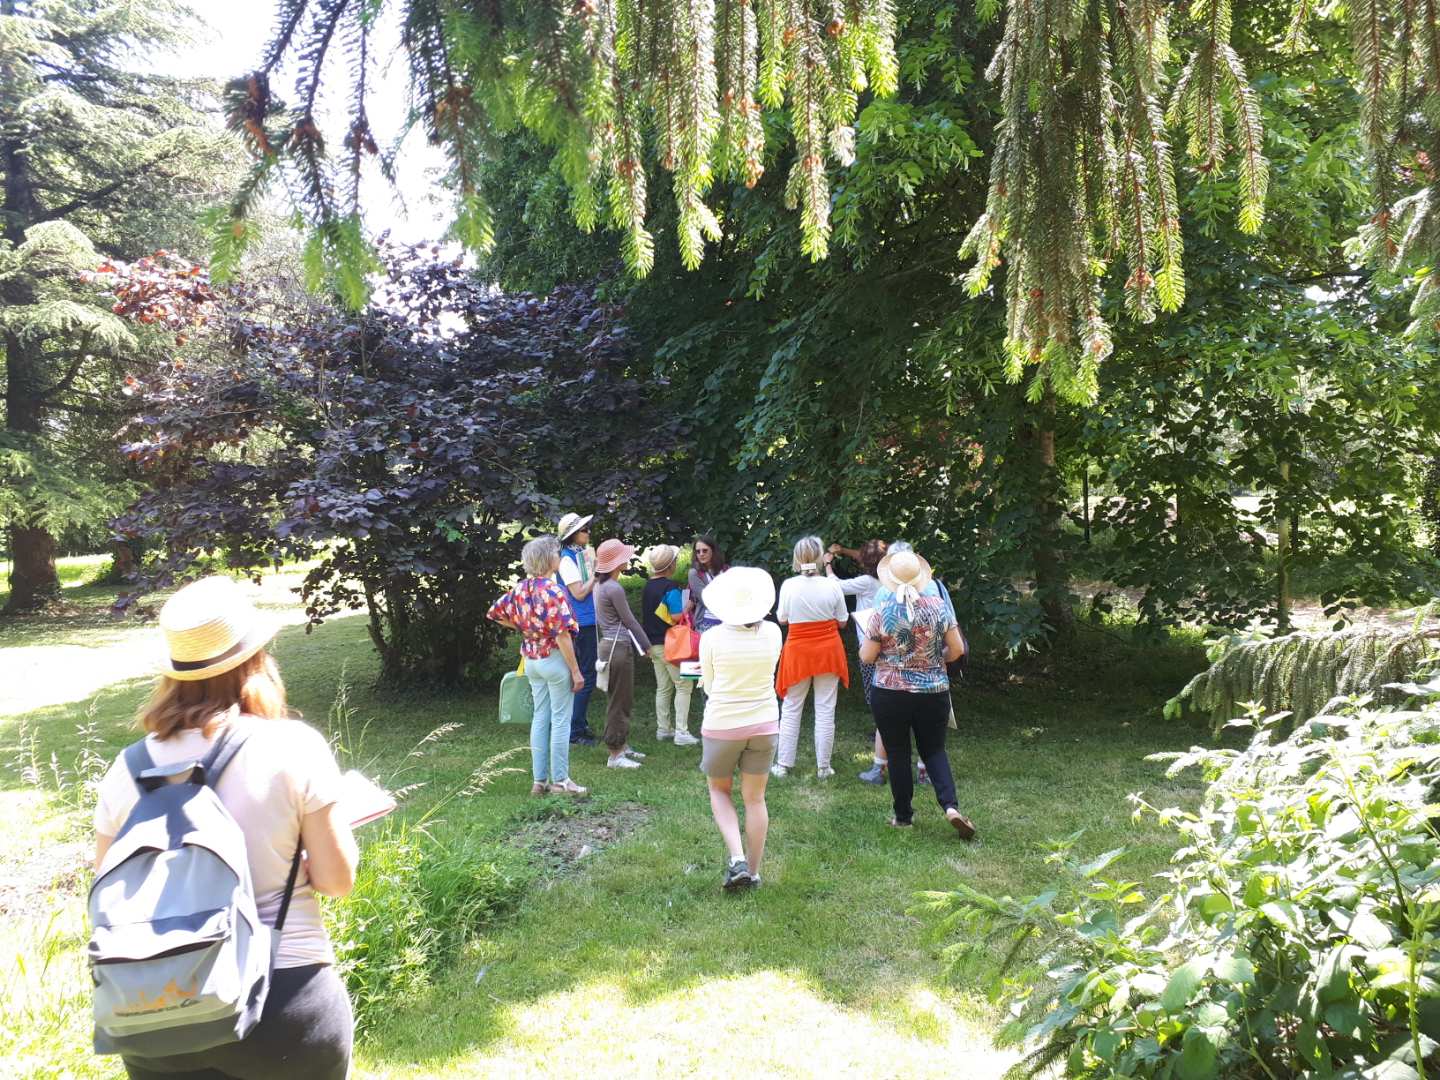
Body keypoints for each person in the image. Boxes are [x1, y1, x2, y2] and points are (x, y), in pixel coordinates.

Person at [92, 576, 359, 1079]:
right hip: (284, 997)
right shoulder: (292, 747)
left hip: (158, 1008)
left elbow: (108, 889)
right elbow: (337, 881)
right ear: (257, 658)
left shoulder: (125, 770)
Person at [859, 549, 977, 839]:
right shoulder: (938, 606)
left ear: (890, 579)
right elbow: (958, 649)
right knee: (934, 750)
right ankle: (950, 807)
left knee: (898, 753)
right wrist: (935, 660)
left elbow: (866, 657)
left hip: (889, 693)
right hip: (933, 691)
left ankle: (903, 817)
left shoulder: (882, 612)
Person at [698, 566, 782, 891]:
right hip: (764, 722)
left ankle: (737, 859)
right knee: (755, 799)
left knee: (719, 791)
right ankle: (755, 872)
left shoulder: (712, 638)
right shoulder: (774, 633)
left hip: (722, 723)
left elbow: (709, 684)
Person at [487, 535, 589, 796]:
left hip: (531, 661)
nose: (559, 556)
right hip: (554, 660)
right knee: (560, 720)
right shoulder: (554, 591)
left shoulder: (521, 588)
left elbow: (495, 613)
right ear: (548, 559)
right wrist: (576, 672)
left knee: (540, 717)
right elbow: (562, 634)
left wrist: (525, 628)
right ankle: (562, 781)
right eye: (556, 553)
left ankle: (539, 781)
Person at [772, 536, 849, 779]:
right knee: (826, 708)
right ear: (819, 557)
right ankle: (823, 767)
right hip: (828, 649)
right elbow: (843, 620)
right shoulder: (832, 585)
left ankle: (783, 765)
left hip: (798, 650)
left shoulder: (788, 586)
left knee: (792, 707)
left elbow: (782, 619)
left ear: (797, 558)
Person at [827, 539, 889, 783]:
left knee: (874, 694)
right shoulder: (889, 579)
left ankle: (881, 734)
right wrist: (843, 550)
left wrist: (829, 564)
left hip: (869, 645)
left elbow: (836, 587)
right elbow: (865, 556)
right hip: (889, 645)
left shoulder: (865, 582)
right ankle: (883, 733)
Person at [591, 538, 651, 769]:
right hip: (618, 648)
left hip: (607, 645)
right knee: (620, 701)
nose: (628, 559)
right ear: (617, 562)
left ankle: (621, 745)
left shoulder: (599, 585)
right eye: (624, 556)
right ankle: (615, 754)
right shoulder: (614, 588)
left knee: (617, 698)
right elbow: (629, 621)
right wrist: (645, 645)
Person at [640, 544, 699, 746]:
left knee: (663, 688)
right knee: (684, 685)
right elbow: (674, 616)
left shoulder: (648, 586)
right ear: (670, 565)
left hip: (653, 644)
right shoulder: (670, 587)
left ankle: (663, 729)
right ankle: (682, 732)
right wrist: (688, 606)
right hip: (672, 645)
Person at [556, 512, 600, 745]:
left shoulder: (578, 554)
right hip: (580, 622)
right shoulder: (566, 559)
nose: (588, 532)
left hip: (587, 619)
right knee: (585, 674)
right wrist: (596, 575)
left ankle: (579, 724)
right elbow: (579, 592)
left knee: (587, 673)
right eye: (584, 529)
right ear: (572, 535)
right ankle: (575, 731)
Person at [686, 532, 729, 634]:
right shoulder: (694, 573)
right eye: (698, 551)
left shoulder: (726, 569)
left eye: (705, 550)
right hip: (706, 623)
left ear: (713, 551)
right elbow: (706, 599)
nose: (701, 554)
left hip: (727, 622)